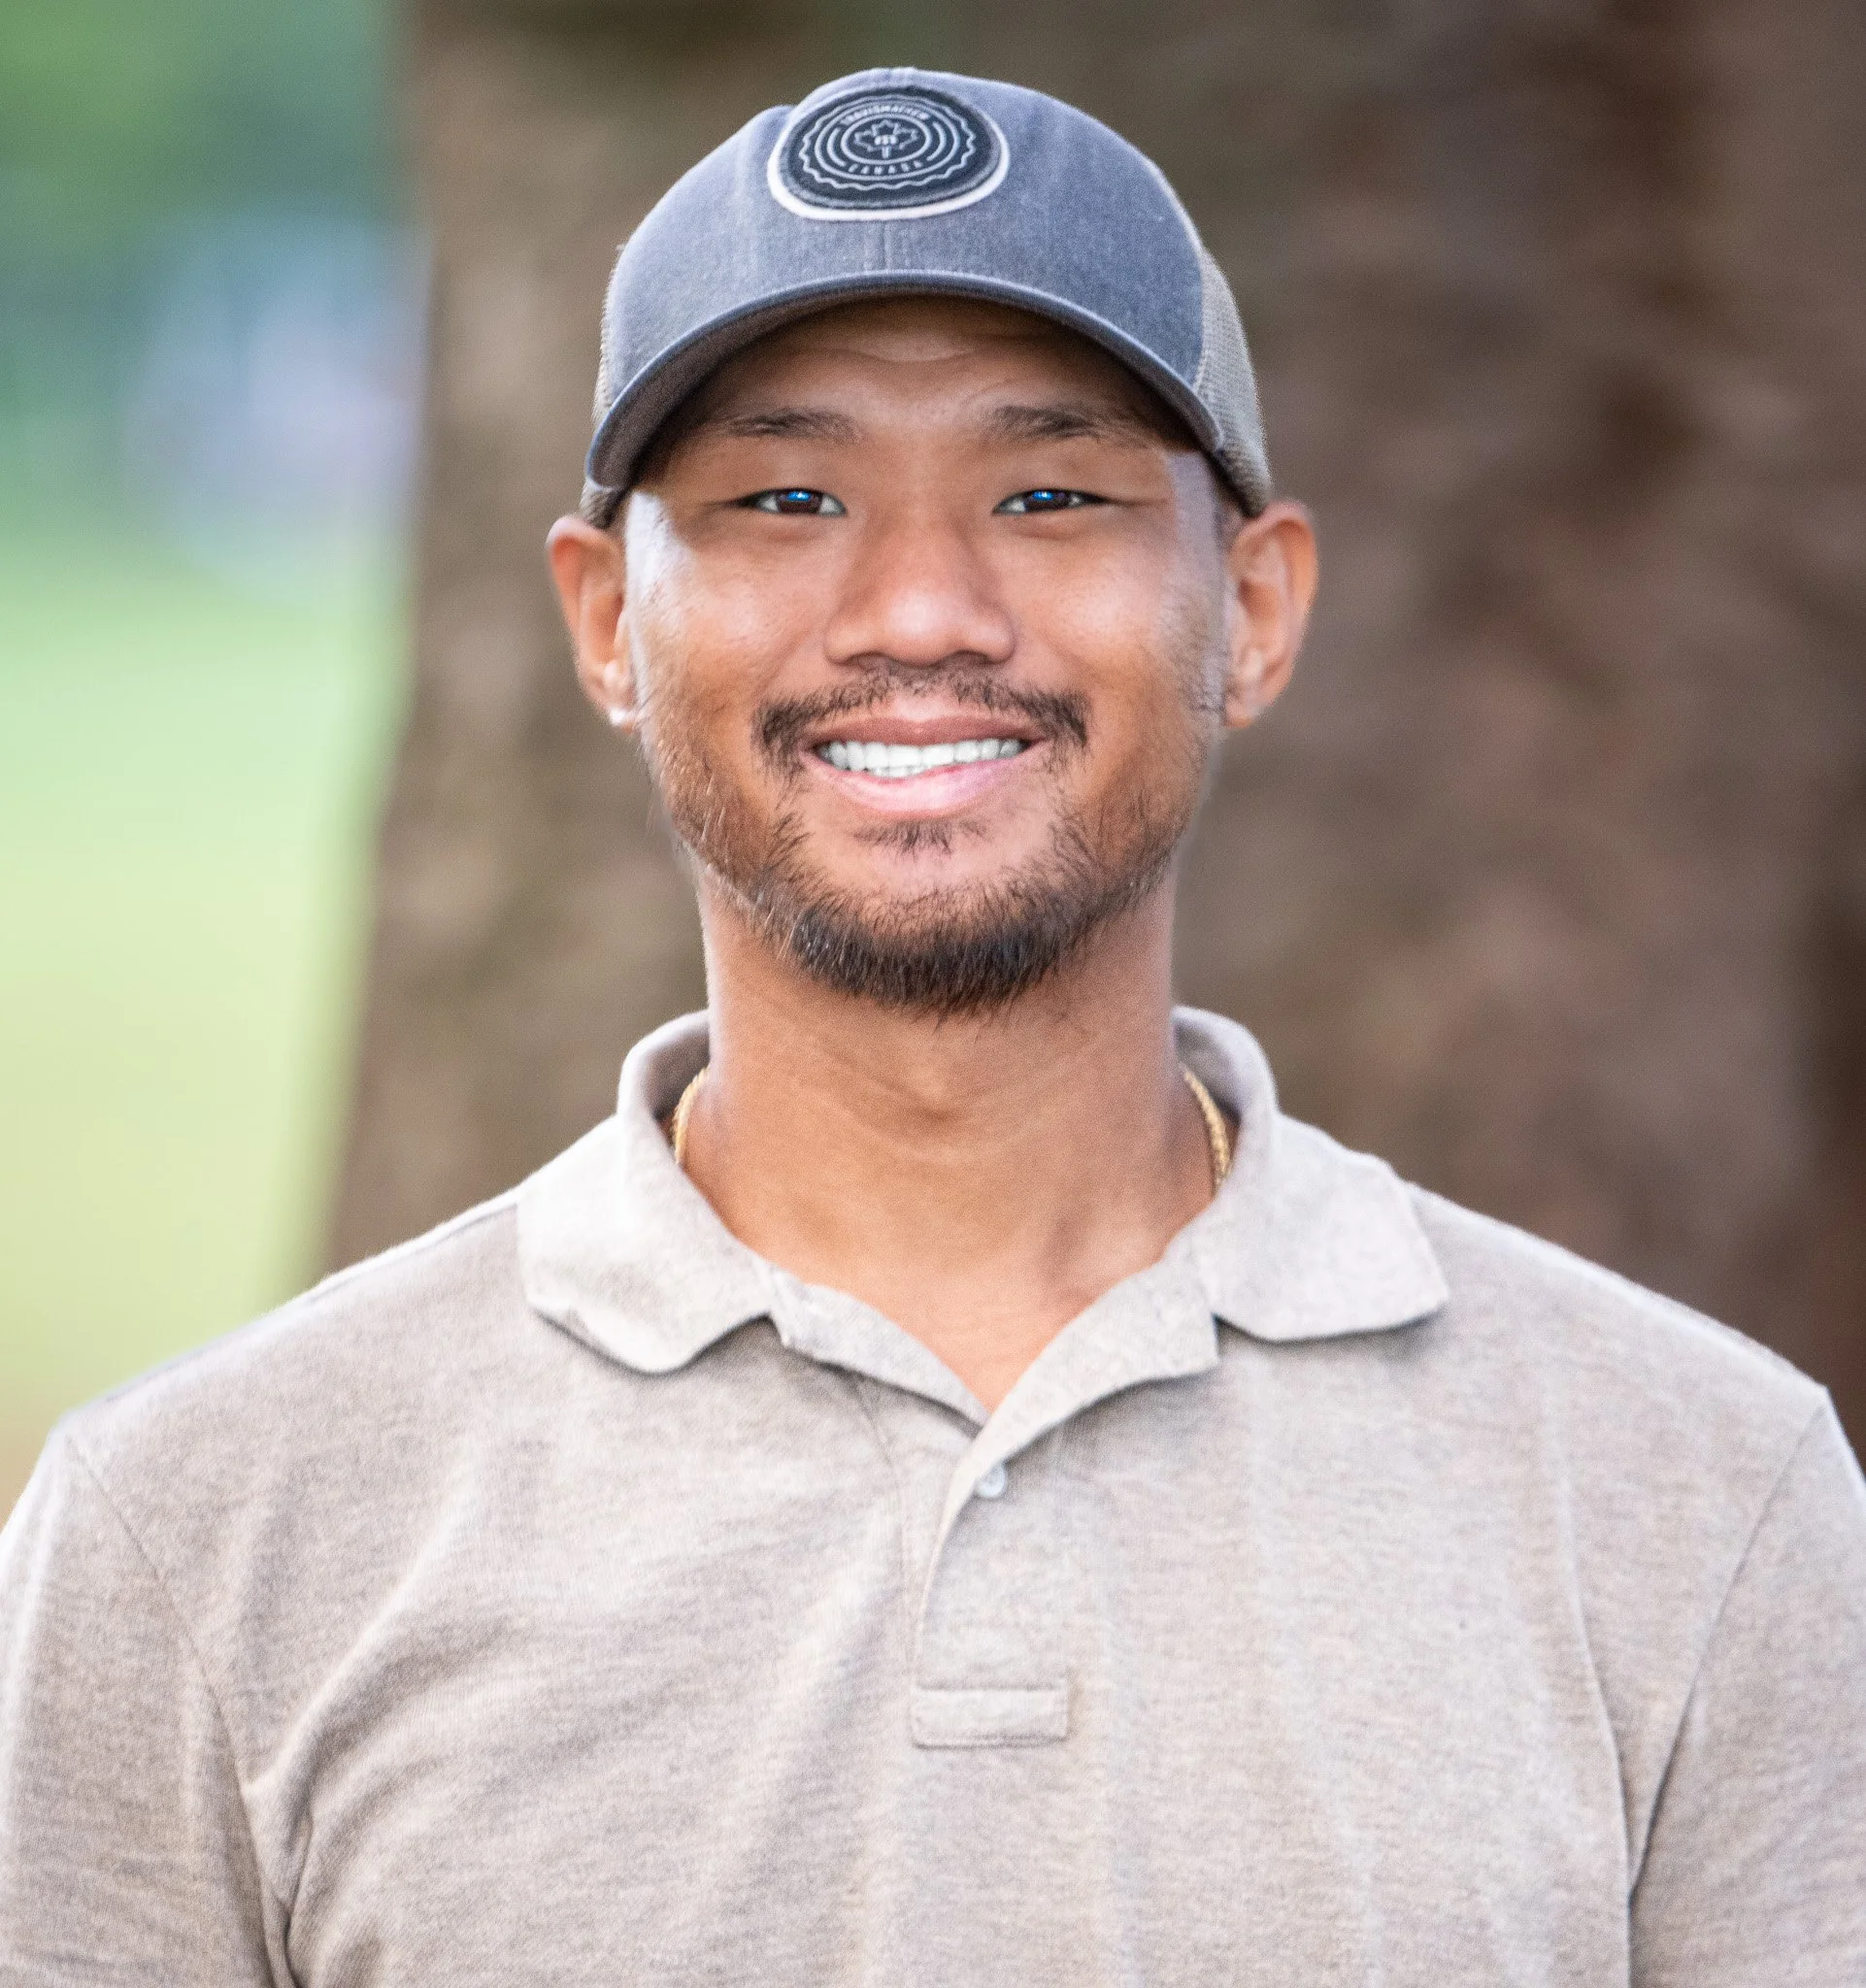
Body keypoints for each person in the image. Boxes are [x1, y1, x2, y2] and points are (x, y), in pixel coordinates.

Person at [3, 66, 1862, 1986]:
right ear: (604, 625)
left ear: (1254, 604)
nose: (918, 605)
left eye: (1049, 493)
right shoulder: (204, 1532)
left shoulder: (1698, 1493)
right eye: (783, 498)